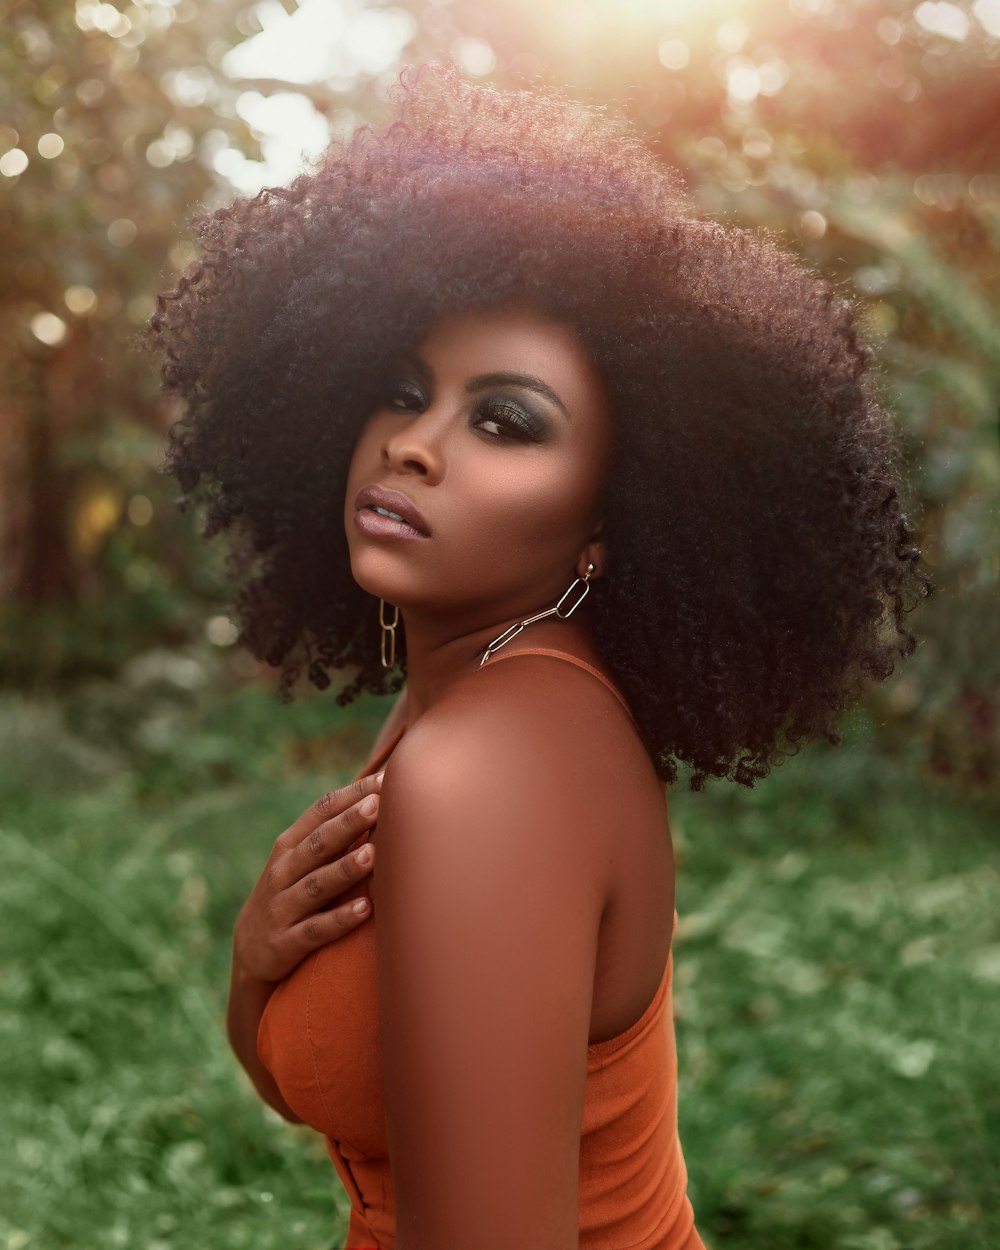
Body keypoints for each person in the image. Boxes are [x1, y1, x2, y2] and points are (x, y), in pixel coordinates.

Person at [152, 63, 927, 1250]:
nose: (413, 444)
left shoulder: (492, 762)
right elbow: (361, 1113)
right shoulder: (482, 688)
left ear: (614, 520)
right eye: (404, 392)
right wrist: (259, 964)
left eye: (504, 420)